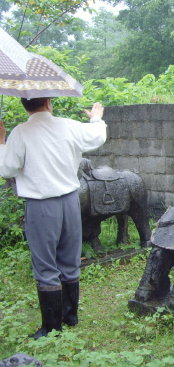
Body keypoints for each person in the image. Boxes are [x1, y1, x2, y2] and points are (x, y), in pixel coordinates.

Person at [0, 97, 107, 339]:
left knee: (46, 264)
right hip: (70, 200)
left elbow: (6, 169)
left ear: (24, 105)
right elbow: (97, 136)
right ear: (49, 102)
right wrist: (97, 118)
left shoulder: (21, 132)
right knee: (69, 259)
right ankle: (70, 316)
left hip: (41, 205)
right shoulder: (68, 125)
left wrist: (1, 141)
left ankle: (51, 327)